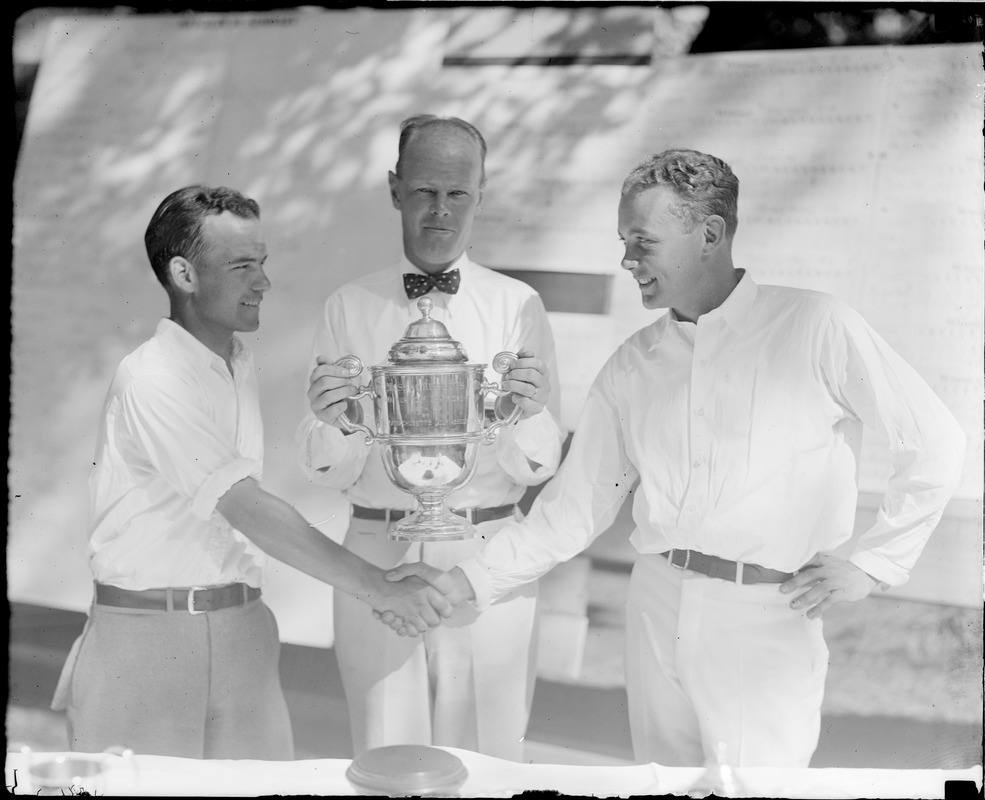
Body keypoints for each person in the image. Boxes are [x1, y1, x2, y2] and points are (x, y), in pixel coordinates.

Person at [385, 149, 967, 767]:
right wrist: (460, 582)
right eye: (622, 240)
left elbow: (934, 441)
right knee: (659, 784)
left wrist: (874, 565)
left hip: (765, 619)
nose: (626, 260)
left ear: (710, 234)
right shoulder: (633, 364)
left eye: (643, 241)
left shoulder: (814, 325)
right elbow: (571, 512)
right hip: (655, 605)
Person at [51, 185, 454, 761]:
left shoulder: (235, 363)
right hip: (145, 644)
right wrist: (376, 585)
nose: (263, 282)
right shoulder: (152, 377)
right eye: (243, 266)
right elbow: (245, 507)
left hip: (246, 634)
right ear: (184, 275)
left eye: (262, 264)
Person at [296, 115, 565, 761]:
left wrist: (522, 412)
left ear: (481, 192)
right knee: (386, 754)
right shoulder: (348, 306)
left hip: (485, 556)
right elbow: (323, 467)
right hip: (374, 552)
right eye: (423, 191)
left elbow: (539, 462)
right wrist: (335, 423)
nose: (440, 210)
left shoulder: (518, 304)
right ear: (394, 189)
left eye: (457, 193)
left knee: (486, 759)